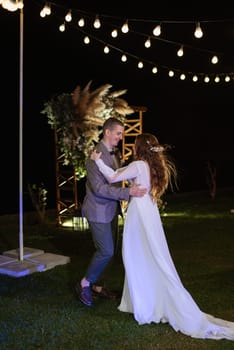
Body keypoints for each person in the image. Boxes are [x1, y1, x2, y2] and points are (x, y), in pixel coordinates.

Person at [91, 132, 234, 340]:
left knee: (136, 256)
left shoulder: (139, 165)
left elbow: (112, 177)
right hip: (148, 213)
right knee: (149, 256)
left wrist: (97, 161)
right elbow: (119, 172)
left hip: (140, 216)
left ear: (139, 147)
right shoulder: (149, 166)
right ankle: (144, 300)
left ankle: (146, 303)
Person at [75, 117, 147, 307]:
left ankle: (98, 287)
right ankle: (84, 284)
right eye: (118, 133)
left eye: (121, 134)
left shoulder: (113, 154)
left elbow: (117, 175)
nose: (121, 137)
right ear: (107, 132)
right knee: (105, 250)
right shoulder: (94, 156)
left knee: (111, 251)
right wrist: (128, 192)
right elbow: (99, 189)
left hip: (112, 209)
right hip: (98, 210)